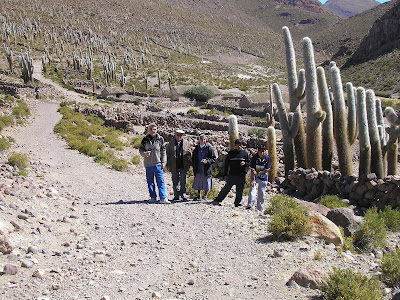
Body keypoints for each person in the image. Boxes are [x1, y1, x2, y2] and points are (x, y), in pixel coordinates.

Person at [212, 139, 249, 207]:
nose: (239, 147)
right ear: (235, 145)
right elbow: (227, 164)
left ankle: (237, 203)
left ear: (242, 145)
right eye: (237, 145)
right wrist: (225, 174)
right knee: (226, 188)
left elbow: (249, 163)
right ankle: (217, 200)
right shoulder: (231, 153)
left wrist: (245, 164)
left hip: (241, 175)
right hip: (232, 174)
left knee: (240, 190)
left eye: (240, 145)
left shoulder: (245, 153)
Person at [139, 123, 170, 204]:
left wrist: (164, 162)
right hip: (148, 164)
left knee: (160, 181)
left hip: (158, 164)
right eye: (151, 129)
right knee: (150, 182)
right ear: (148, 130)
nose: (153, 131)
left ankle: (163, 198)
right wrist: (144, 153)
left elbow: (163, 152)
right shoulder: (145, 139)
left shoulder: (160, 139)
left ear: (157, 130)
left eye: (154, 129)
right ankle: (153, 197)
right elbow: (141, 150)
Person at [166, 129, 191, 201]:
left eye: (181, 135)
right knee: (175, 180)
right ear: (175, 135)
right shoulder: (171, 143)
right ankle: (176, 195)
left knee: (183, 180)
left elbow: (190, 152)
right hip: (174, 164)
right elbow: (169, 154)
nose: (179, 136)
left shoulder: (186, 143)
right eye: (178, 135)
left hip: (183, 164)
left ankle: (183, 194)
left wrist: (189, 154)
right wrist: (168, 164)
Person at [192, 134, 216, 201]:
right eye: (202, 139)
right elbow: (193, 158)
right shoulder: (197, 148)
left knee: (206, 182)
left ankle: (205, 196)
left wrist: (207, 161)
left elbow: (214, 158)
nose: (203, 141)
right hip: (198, 168)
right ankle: (198, 195)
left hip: (206, 169)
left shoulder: (209, 148)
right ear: (199, 140)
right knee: (198, 182)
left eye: (204, 139)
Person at [247, 145, 270, 213]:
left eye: (263, 151)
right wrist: (253, 179)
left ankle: (260, 208)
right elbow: (252, 169)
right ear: (258, 152)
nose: (262, 153)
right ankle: (250, 204)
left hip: (263, 178)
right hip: (255, 177)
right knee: (252, 189)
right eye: (261, 151)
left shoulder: (267, 158)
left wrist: (259, 172)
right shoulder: (255, 157)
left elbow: (267, 169)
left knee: (262, 193)